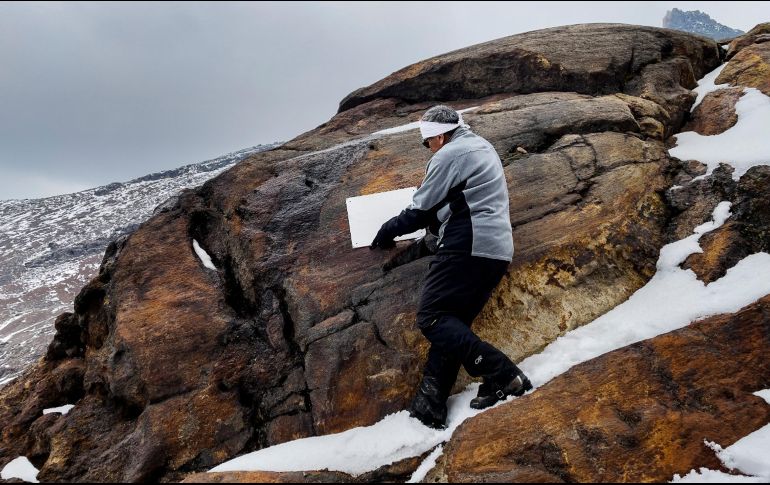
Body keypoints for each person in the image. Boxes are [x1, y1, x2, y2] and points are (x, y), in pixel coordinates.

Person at [370, 105, 531, 429]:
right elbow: (449, 205)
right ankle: (430, 407)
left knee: (432, 317)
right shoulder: (480, 146)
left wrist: (385, 232)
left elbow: (420, 211)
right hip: (495, 250)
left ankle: (503, 372)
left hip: (467, 246)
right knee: (451, 325)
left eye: (427, 143)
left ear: (439, 137)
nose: (426, 149)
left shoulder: (449, 155)